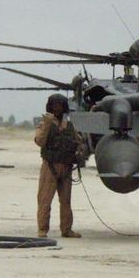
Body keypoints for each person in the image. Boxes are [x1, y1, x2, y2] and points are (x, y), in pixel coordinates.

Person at [34, 94, 83, 238]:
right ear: (50, 106)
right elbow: (39, 141)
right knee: (45, 200)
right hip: (50, 167)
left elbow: (78, 141)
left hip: (66, 168)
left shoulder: (69, 125)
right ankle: (42, 230)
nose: (57, 108)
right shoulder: (45, 124)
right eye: (54, 105)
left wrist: (78, 151)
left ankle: (66, 229)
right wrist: (48, 124)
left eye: (60, 105)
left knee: (66, 201)